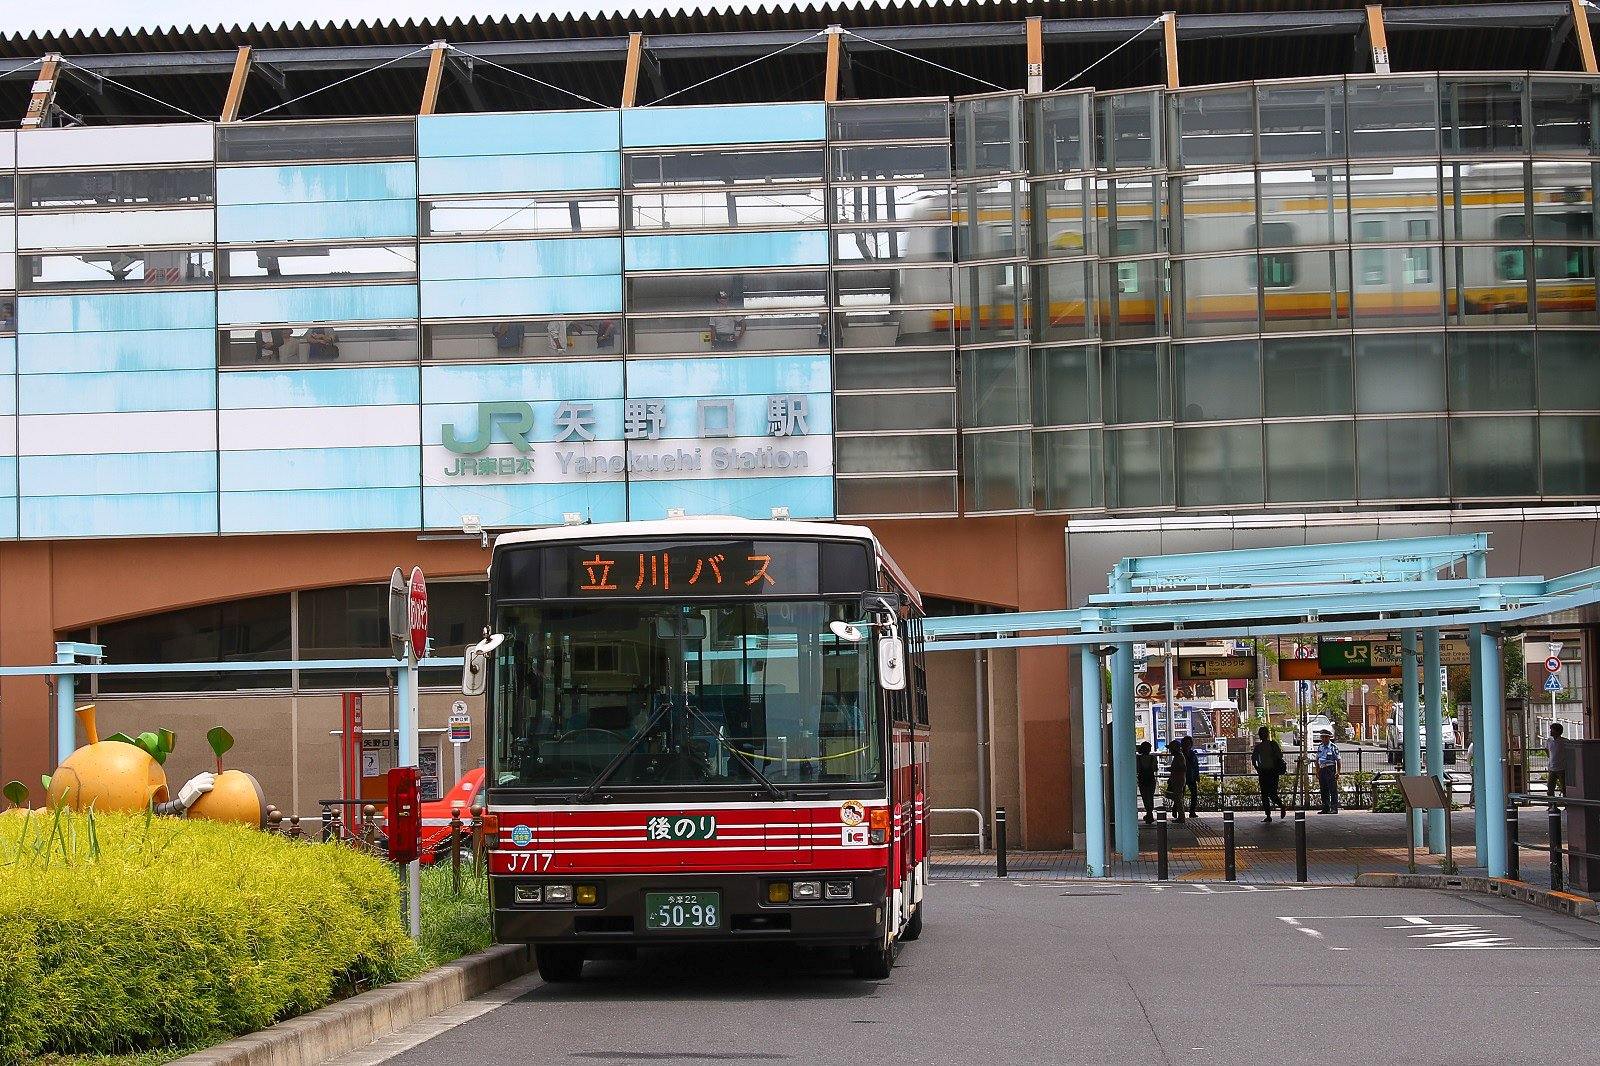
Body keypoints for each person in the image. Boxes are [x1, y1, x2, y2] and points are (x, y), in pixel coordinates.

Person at [1251, 725, 1288, 822]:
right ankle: (1270, 813)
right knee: (1267, 794)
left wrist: (1257, 768)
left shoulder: (1263, 746)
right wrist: (1257, 768)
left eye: (1263, 733)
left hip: (1268, 771)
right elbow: (1254, 759)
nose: (1262, 735)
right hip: (1268, 771)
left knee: (1269, 794)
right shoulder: (1269, 745)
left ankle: (1276, 810)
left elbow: (1253, 759)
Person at [1315, 729, 1342, 813]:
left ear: (1329, 738)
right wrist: (1317, 770)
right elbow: (1317, 759)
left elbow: (1338, 760)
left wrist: (1338, 771)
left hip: (1330, 768)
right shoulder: (1320, 746)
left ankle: (1334, 808)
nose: (1323, 739)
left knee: (1332, 788)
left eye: (1325, 737)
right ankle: (1325, 807)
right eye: (1322, 737)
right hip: (1322, 768)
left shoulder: (1333, 747)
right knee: (1323, 789)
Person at [1164, 739, 1187, 823]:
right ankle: (1180, 816)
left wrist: (1172, 769)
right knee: (1178, 798)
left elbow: (1183, 768)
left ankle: (1181, 817)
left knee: (1178, 799)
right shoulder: (1179, 757)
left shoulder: (1179, 757)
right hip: (1178, 779)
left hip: (1178, 780)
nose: (1170, 751)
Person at [1136, 741, 1158, 824]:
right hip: (1151, 779)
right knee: (1150, 796)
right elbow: (1155, 768)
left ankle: (1149, 814)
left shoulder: (1138, 758)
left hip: (1142, 779)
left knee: (1145, 797)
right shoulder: (1153, 758)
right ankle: (1150, 814)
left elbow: (1137, 769)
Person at [1546, 722, 1568, 796]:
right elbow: (1546, 749)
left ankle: (1566, 805)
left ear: (1558, 731)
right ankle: (1551, 805)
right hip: (1552, 768)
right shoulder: (1549, 740)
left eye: (1552, 730)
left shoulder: (1564, 741)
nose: (1550, 732)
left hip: (1562, 768)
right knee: (1550, 789)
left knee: (1564, 789)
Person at [1181, 734, 1201, 817]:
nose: (1187, 745)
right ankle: (1178, 811)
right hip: (1183, 776)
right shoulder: (1181, 754)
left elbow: (1196, 765)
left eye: (1189, 743)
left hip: (1191, 776)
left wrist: (1197, 775)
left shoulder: (1192, 754)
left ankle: (1192, 811)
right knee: (1181, 794)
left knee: (1194, 794)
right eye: (1186, 743)